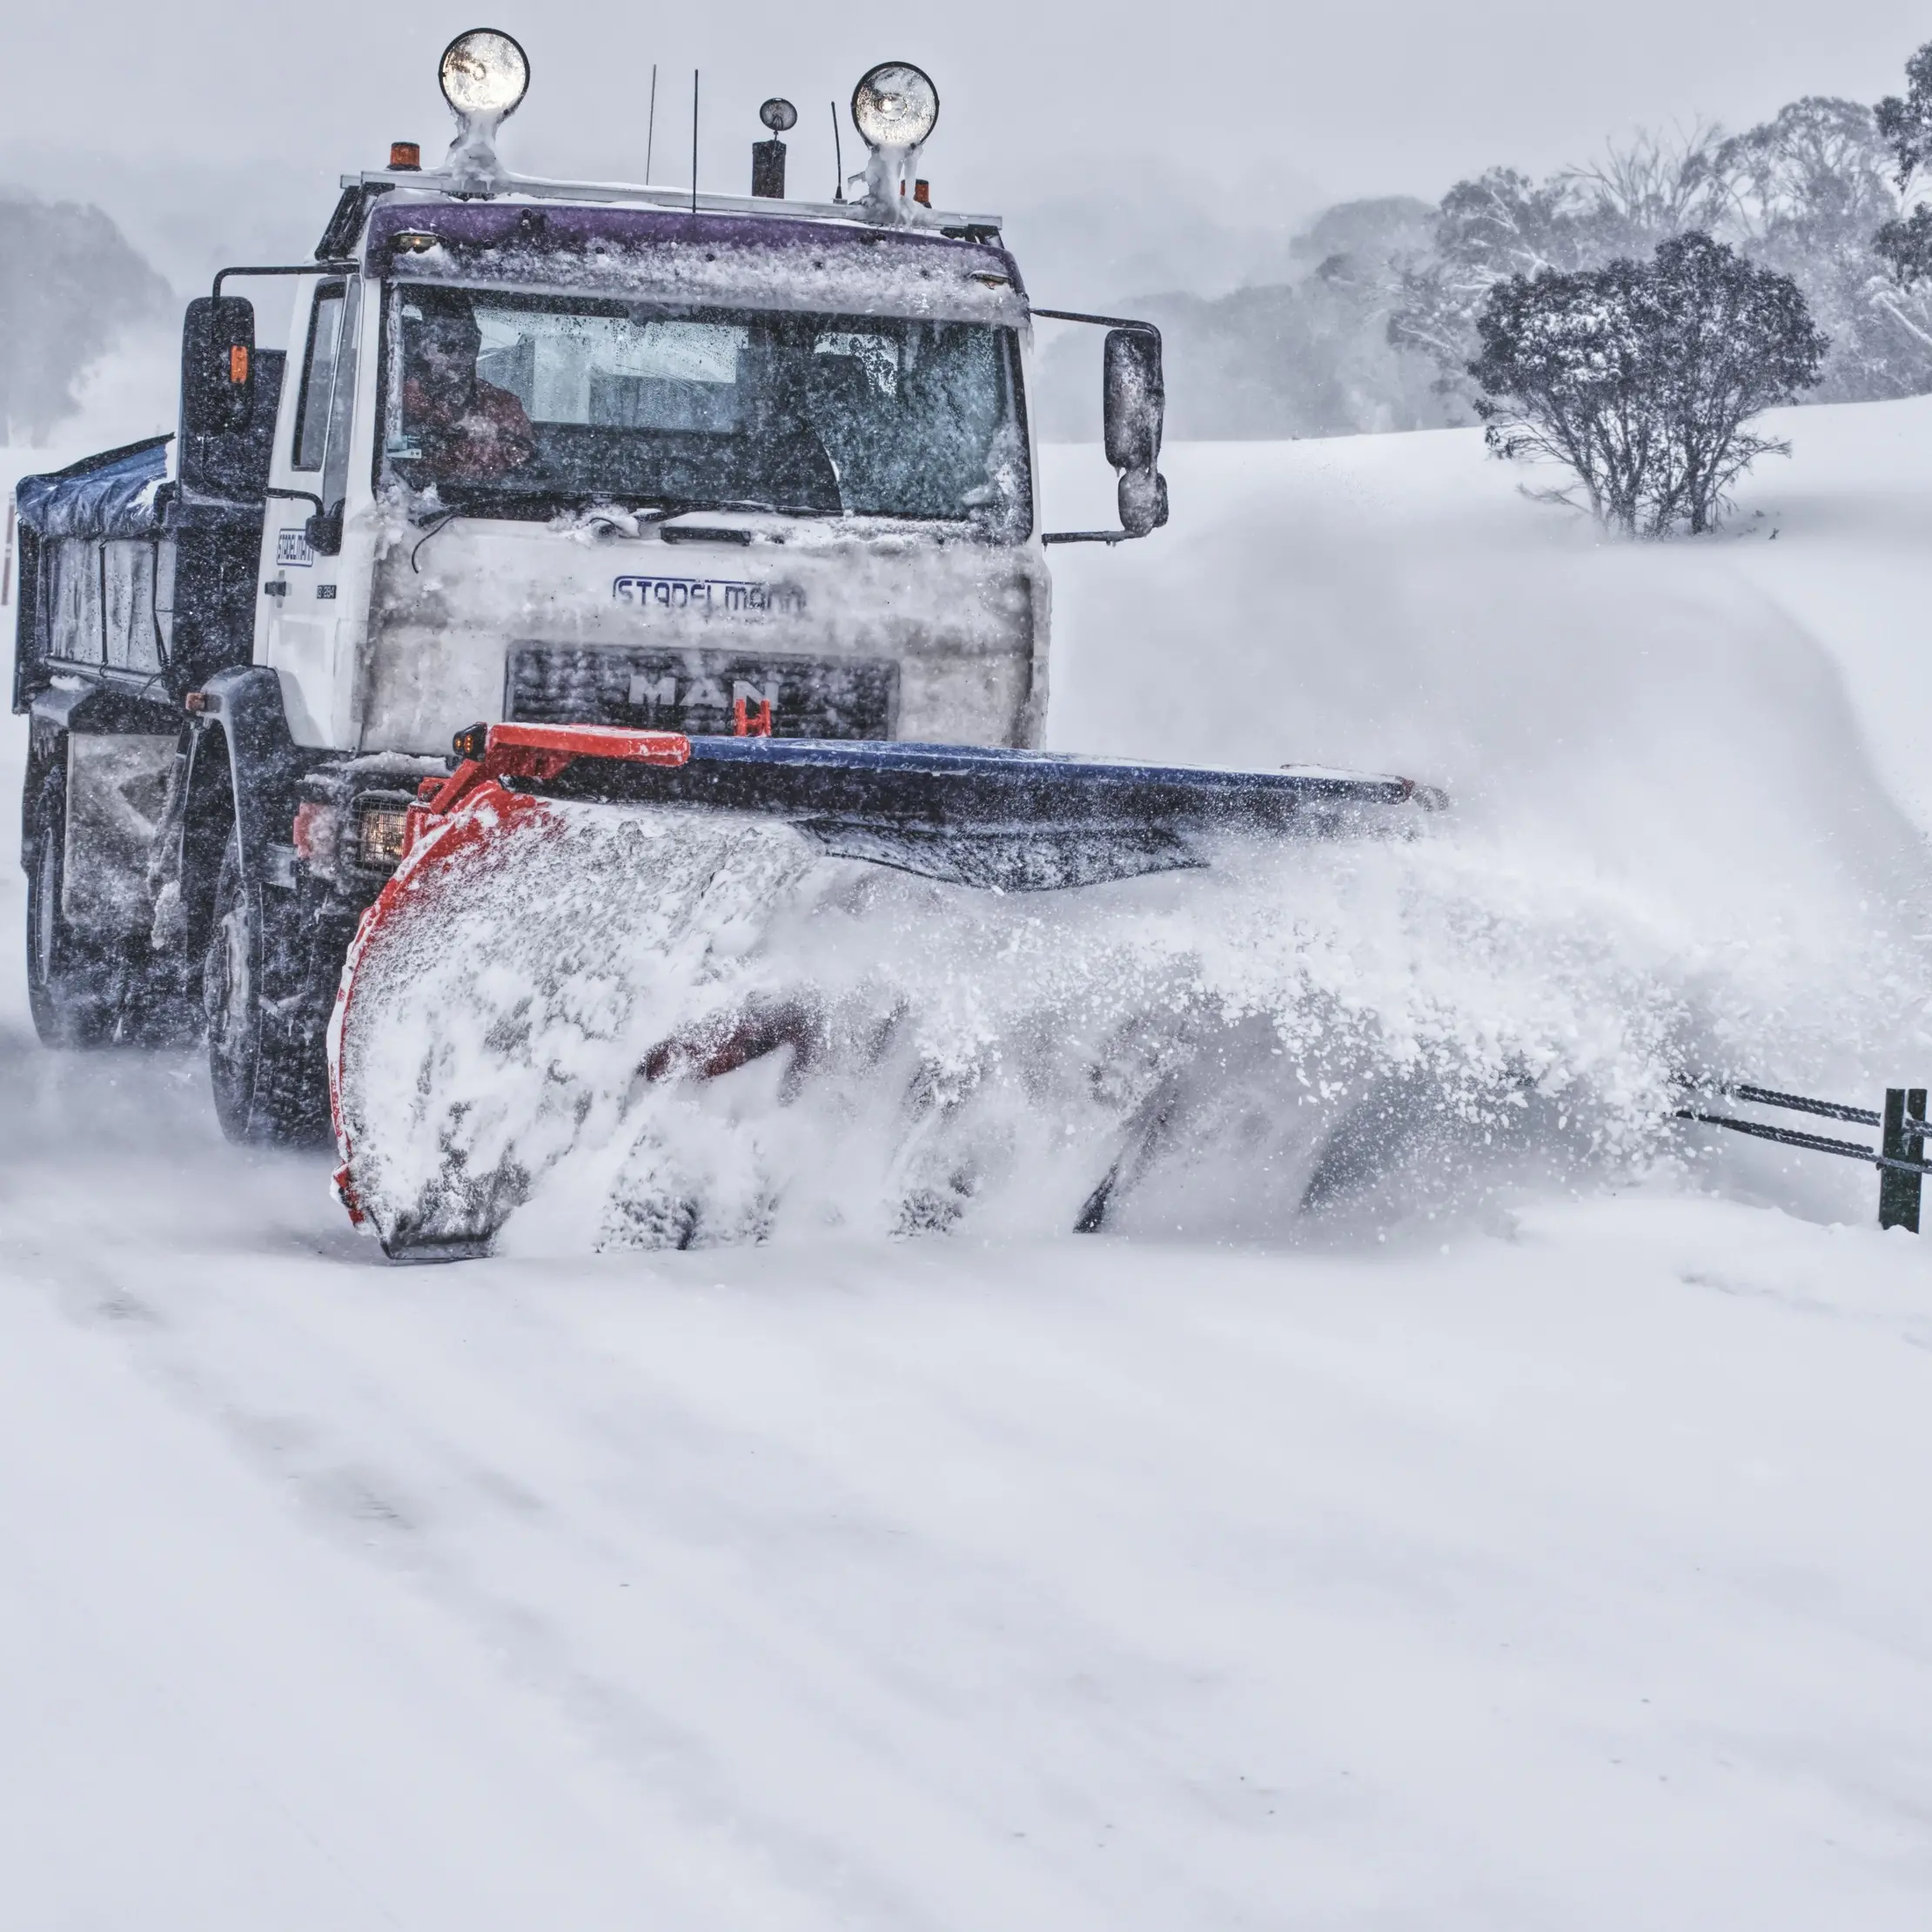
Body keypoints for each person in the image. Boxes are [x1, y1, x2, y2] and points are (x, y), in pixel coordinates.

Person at [399, 299, 536, 483]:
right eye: (447, 348)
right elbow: (391, 456)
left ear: (478, 345)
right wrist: (449, 431)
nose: (459, 358)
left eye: (468, 346)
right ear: (424, 349)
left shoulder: (503, 404)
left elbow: (529, 463)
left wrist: (494, 438)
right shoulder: (400, 400)